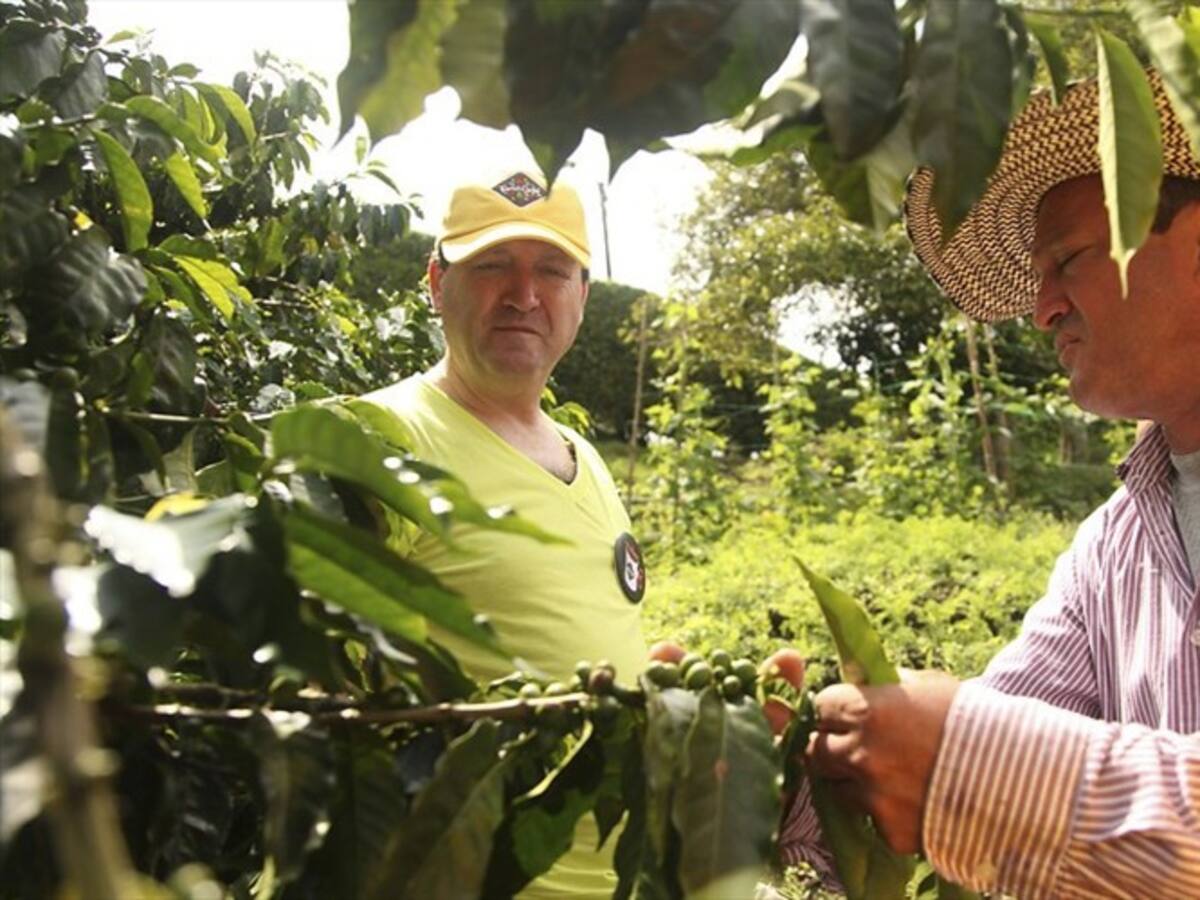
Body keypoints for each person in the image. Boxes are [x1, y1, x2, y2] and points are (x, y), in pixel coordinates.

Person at [785, 70, 1200, 896]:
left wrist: (973, 763)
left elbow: (986, 755)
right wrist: (785, 772)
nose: (1042, 309)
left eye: (1068, 261)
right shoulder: (1113, 549)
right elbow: (1000, 728)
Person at [364, 170, 648, 899]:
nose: (524, 294)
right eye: (492, 265)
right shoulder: (375, 441)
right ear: (436, 282)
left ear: (583, 296)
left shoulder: (588, 464)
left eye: (552, 270)